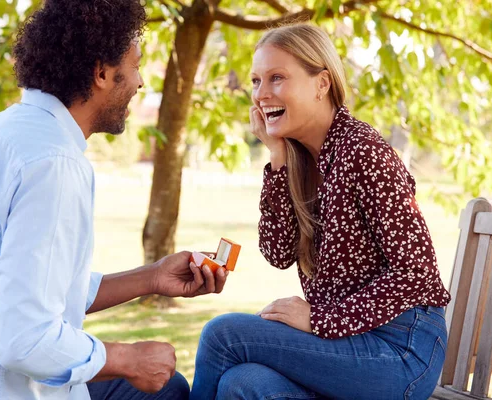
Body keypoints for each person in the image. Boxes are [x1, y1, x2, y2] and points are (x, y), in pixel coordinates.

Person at [0, 0, 229, 399]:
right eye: (135, 66)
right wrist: (128, 358)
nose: (140, 83)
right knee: (164, 389)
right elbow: (24, 339)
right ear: (102, 72)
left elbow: (37, 286)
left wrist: (152, 277)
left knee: (164, 388)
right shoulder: (55, 163)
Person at [190, 24, 451, 400]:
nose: (261, 94)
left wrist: (320, 319)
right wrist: (277, 157)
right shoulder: (302, 161)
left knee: (223, 335)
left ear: (321, 83)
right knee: (242, 384)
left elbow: (416, 274)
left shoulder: (363, 152)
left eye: (277, 78)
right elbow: (278, 253)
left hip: (400, 351)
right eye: (256, 81)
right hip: (345, 347)